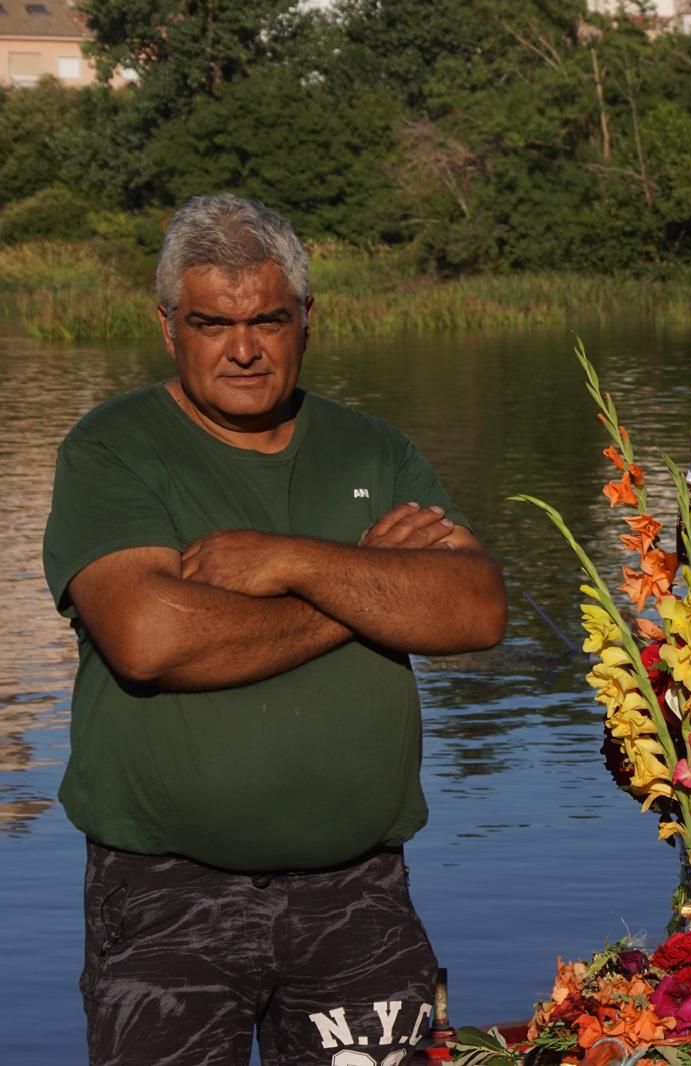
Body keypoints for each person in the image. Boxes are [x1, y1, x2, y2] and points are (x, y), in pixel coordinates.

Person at [41, 193, 507, 1066]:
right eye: (212, 322)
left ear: (307, 319)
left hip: (360, 895)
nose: (244, 348)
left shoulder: (374, 451)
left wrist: (291, 559)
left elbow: (475, 609)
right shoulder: (112, 449)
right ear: (167, 325)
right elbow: (150, 637)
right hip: (164, 897)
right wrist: (365, 585)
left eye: (268, 320)